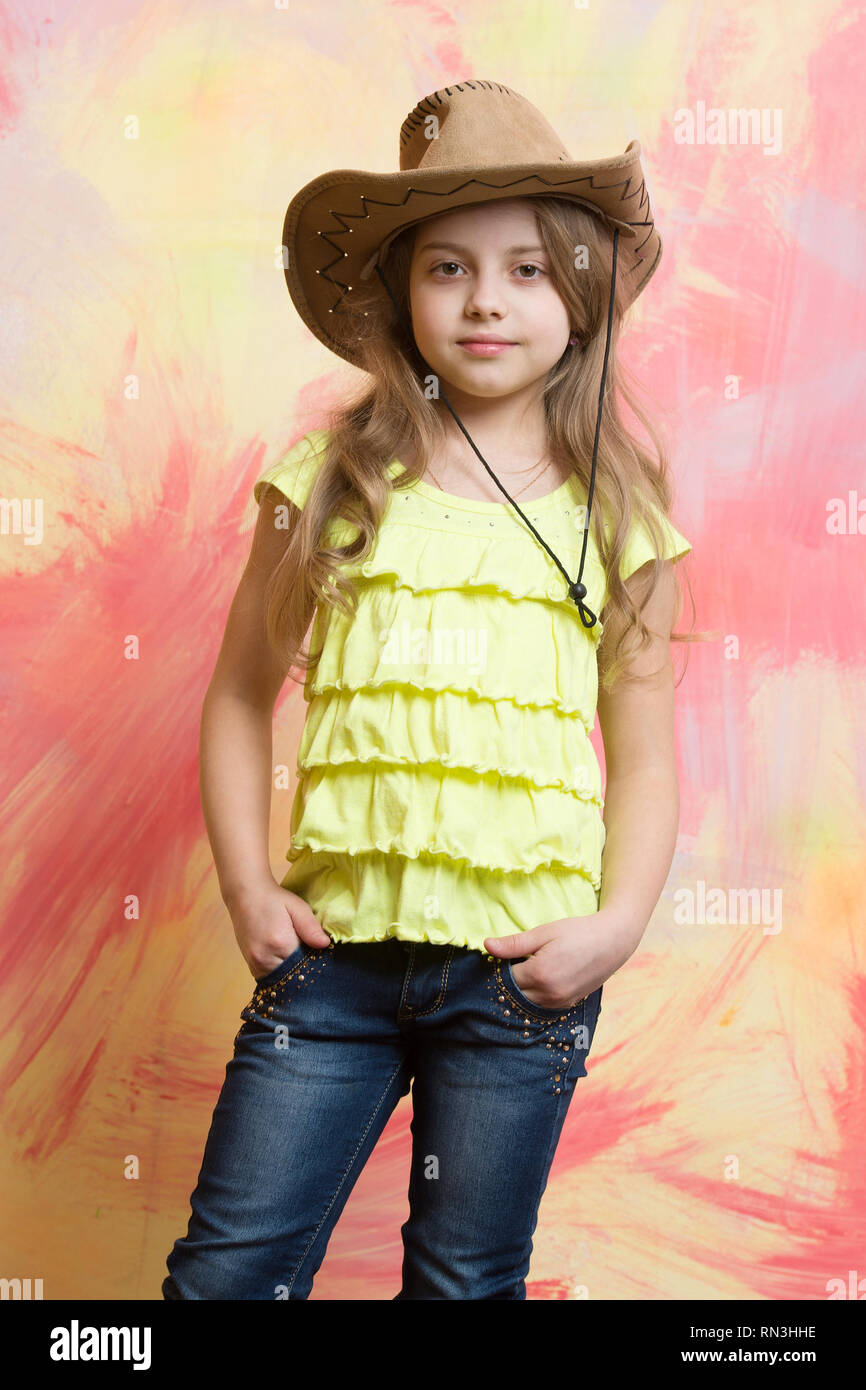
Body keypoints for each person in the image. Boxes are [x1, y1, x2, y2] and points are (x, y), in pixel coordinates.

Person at [162, 79, 695, 1301]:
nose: (486, 300)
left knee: (464, 1284)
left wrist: (612, 927)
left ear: (578, 289)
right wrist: (248, 888)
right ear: (402, 295)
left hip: (520, 977)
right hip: (333, 965)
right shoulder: (334, 483)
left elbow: (648, 755)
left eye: (522, 268)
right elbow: (241, 694)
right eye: (447, 268)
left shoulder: (614, 519)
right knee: (228, 1273)